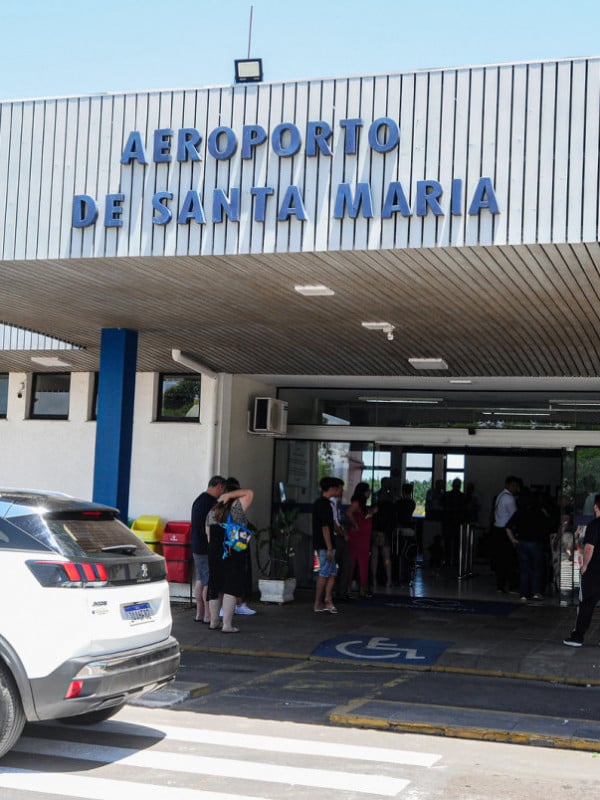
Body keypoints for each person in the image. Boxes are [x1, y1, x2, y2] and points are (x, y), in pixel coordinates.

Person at [206, 479, 254, 633]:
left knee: (215, 585)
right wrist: (232, 494)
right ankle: (227, 625)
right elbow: (249, 493)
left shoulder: (213, 510)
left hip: (214, 552)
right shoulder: (237, 507)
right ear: (235, 494)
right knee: (230, 587)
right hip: (233, 552)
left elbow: (208, 534)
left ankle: (214, 621)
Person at [563, 493, 600, 646]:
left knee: (586, 604)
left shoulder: (594, 525)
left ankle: (578, 636)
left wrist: (584, 565)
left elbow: (589, 548)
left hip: (595, 571)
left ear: (595, 507)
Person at [190, 475, 227, 623]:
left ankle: (199, 613)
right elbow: (212, 528)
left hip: (197, 546)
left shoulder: (198, 500)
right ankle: (208, 616)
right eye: (223, 489)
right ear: (218, 486)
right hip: (207, 547)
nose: (222, 493)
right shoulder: (212, 504)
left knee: (200, 579)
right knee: (209, 582)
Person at [506, 490, 551, 601]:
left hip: (522, 543)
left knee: (524, 569)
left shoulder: (519, 512)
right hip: (536, 543)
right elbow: (547, 527)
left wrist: (513, 540)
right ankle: (536, 592)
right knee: (536, 568)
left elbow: (508, 527)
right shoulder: (539, 512)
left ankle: (524, 594)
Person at [312, 476, 339, 613]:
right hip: (325, 545)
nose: (340, 491)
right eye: (338, 488)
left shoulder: (324, 503)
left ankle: (327, 600)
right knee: (324, 573)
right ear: (332, 489)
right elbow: (325, 527)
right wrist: (329, 547)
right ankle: (318, 602)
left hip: (327, 545)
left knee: (332, 573)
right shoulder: (323, 505)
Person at [346, 482, 376, 597]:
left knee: (362, 563)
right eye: (368, 490)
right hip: (357, 537)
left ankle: (361, 589)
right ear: (363, 492)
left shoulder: (363, 505)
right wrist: (355, 525)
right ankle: (350, 589)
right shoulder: (357, 503)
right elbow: (349, 513)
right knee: (353, 563)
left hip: (363, 537)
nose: (369, 493)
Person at [491, 475, 520, 593]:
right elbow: (514, 516)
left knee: (500, 559)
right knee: (509, 559)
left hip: (497, 529)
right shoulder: (509, 498)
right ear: (508, 485)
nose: (515, 488)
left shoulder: (500, 495)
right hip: (505, 531)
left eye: (516, 486)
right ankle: (512, 585)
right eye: (513, 485)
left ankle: (500, 585)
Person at [330, 478, 351, 602]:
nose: (342, 491)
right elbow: (333, 524)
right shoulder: (331, 503)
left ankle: (339, 592)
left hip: (339, 536)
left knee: (344, 565)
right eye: (341, 488)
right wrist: (344, 533)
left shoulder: (336, 503)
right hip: (336, 537)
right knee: (337, 566)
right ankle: (334, 593)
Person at [371, 477, 394, 588]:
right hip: (385, 529)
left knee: (375, 555)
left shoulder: (376, 496)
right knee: (386, 556)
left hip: (376, 528)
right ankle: (388, 580)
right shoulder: (390, 498)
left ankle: (374, 580)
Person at [442, 478, 466, 569]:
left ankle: (448, 561)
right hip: (457, 523)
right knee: (456, 543)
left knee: (449, 543)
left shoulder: (447, 495)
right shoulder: (462, 496)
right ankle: (455, 561)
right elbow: (464, 510)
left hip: (448, 522)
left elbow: (443, 506)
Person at [395, 483, 416, 585]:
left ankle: (400, 576)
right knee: (409, 553)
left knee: (400, 554)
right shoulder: (412, 503)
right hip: (410, 529)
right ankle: (409, 576)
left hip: (400, 529)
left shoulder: (398, 503)